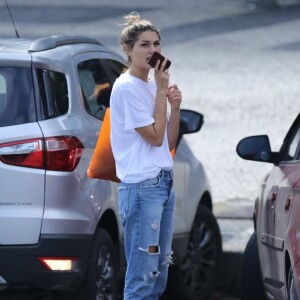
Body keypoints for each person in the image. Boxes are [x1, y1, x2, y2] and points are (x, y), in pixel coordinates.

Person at [110, 12, 182, 299]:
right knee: (142, 275)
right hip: (142, 188)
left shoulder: (151, 85)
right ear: (128, 50)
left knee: (158, 273)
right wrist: (162, 89)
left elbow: (167, 141)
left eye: (156, 43)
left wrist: (174, 107)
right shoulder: (126, 87)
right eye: (144, 45)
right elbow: (152, 137)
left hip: (162, 183)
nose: (153, 50)